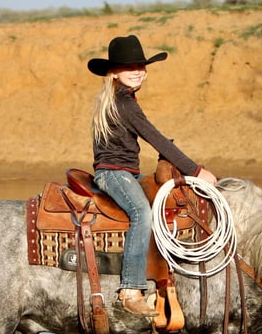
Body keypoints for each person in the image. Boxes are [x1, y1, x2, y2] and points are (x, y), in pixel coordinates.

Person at [88, 34, 218, 316]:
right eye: (128, 67)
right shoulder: (126, 104)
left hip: (123, 172)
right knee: (142, 213)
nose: (136, 72)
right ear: (113, 72)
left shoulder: (116, 100)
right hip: (114, 174)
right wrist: (196, 171)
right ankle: (131, 289)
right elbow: (156, 139)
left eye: (140, 66)